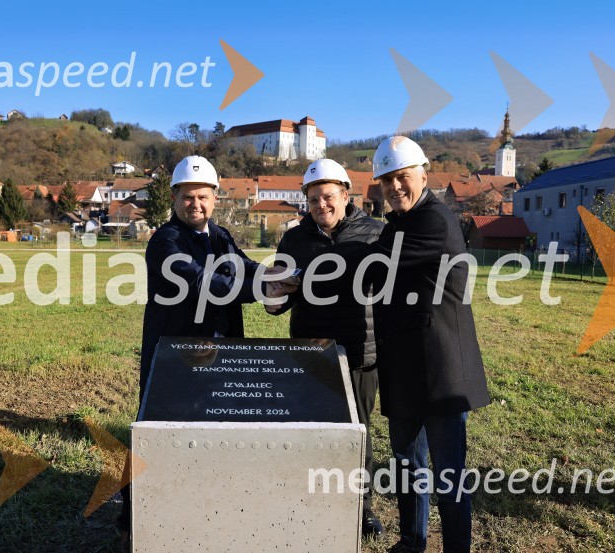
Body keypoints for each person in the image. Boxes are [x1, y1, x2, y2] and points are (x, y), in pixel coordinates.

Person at [121, 155, 295, 550]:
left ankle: (202, 513)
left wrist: (274, 277)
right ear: (174, 198)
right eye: (187, 197)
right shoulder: (165, 242)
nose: (195, 204)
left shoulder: (220, 237)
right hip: (174, 360)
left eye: (202, 196)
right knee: (156, 436)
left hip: (220, 354)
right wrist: (258, 290)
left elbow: (242, 267)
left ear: (215, 197)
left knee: (212, 435)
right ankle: (134, 515)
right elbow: (201, 281)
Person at [369, 136, 490, 553]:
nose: (395, 187)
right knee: (407, 467)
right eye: (386, 182)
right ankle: (411, 542)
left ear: (423, 174)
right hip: (404, 367)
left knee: (448, 474)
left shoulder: (434, 220)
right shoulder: (398, 224)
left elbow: (371, 268)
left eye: (402, 177)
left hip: (440, 370)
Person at [266, 158, 385, 538]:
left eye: (328, 196)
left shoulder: (375, 232)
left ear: (346, 195)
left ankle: (361, 508)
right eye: (314, 199)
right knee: (311, 428)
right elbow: (281, 294)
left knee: (359, 432)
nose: (322, 206)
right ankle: (310, 499)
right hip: (310, 349)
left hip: (361, 347)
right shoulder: (295, 238)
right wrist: (274, 296)